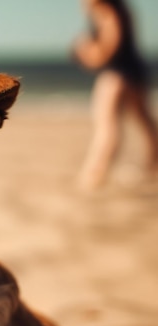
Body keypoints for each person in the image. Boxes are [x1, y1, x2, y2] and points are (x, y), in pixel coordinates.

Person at [74, 0, 158, 190]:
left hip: (118, 74)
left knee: (106, 124)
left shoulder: (108, 11)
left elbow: (110, 49)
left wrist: (86, 52)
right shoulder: (119, 8)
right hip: (134, 71)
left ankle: (95, 174)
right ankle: (153, 165)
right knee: (144, 120)